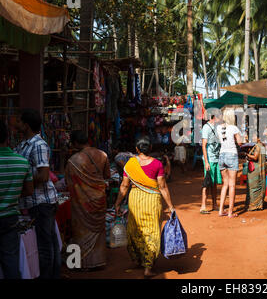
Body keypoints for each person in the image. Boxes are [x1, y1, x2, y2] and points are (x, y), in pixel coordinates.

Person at [114, 136, 175, 278]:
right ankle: (148, 266)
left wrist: (117, 203)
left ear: (136, 149)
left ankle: (137, 259)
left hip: (134, 199)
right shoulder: (157, 164)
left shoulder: (129, 164)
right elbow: (163, 187)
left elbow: (124, 186)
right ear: (151, 149)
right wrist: (171, 206)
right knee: (152, 231)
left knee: (135, 229)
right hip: (152, 200)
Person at [14, 109, 61, 279]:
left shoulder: (38, 144)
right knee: (49, 243)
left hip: (41, 202)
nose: (16, 124)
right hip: (35, 202)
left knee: (45, 246)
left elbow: (43, 174)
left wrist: (23, 181)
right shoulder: (23, 144)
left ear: (25, 125)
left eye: (19, 121)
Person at [64, 131, 111, 270]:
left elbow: (68, 183)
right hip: (100, 198)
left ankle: (81, 263)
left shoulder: (73, 161)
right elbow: (107, 175)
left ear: (75, 143)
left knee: (80, 231)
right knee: (99, 231)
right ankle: (99, 260)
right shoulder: (103, 155)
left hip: (82, 202)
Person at [0, 120, 34, 279]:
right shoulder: (22, 162)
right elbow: (29, 190)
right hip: (10, 217)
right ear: (7, 137)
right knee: (10, 260)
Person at [217, 109, 242, 218]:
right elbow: (240, 142)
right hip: (232, 155)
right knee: (232, 185)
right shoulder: (234, 128)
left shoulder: (218, 127)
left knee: (225, 184)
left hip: (222, 155)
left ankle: (221, 210)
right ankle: (230, 212)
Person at [200, 113, 222, 214]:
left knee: (214, 183)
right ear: (214, 117)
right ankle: (203, 206)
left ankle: (214, 204)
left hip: (217, 158)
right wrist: (206, 162)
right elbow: (204, 145)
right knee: (207, 183)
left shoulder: (217, 127)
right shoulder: (206, 127)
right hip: (209, 159)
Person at [245, 136, 267, 211]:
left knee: (254, 187)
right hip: (259, 170)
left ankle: (254, 205)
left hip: (255, 170)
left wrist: (246, 154)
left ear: (258, 138)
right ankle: (258, 205)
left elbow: (255, 157)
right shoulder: (262, 146)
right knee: (258, 186)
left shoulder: (257, 146)